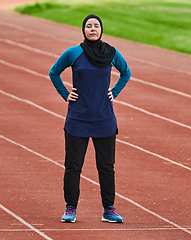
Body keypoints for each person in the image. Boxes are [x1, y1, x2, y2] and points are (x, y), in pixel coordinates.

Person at [48, 14, 131, 223]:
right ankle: (70, 208)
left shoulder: (111, 53)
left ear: (101, 29)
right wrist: (66, 94)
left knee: (106, 167)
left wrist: (115, 91)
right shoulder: (73, 53)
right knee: (73, 166)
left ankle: (109, 209)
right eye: (88, 26)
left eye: (96, 26)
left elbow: (126, 72)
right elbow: (54, 72)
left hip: (104, 119)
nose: (93, 29)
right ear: (83, 30)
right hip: (78, 119)